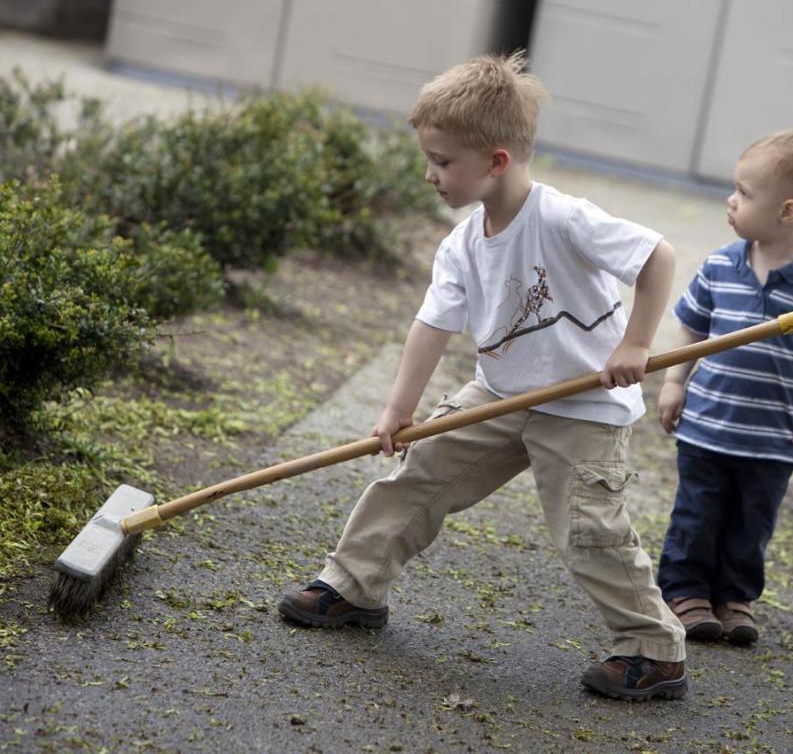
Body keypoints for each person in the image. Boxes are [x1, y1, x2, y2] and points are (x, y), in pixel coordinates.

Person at [278, 51, 687, 701]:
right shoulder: (464, 243)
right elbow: (431, 327)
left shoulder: (560, 219)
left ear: (496, 160)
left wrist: (637, 342)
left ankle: (653, 647)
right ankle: (353, 585)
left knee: (589, 531)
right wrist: (398, 412)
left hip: (581, 405)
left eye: (442, 162)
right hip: (499, 394)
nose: (430, 175)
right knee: (419, 474)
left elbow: (656, 255)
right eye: (429, 159)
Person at [656, 128, 793, 645]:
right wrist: (675, 382)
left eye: (745, 193)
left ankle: (735, 597)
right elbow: (693, 328)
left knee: (752, 522)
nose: (732, 199)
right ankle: (685, 591)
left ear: (787, 212)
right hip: (708, 426)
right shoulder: (721, 265)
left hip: (772, 438)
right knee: (696, 513)